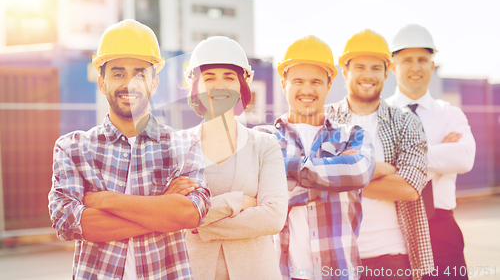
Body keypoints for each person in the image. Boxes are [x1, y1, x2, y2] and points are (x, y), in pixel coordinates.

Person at [48, 19, 211, 280]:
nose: (129, 84)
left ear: (154, 83)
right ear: (102, 83)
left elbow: (190, 214)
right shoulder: (72, 148)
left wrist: (103, 200)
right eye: (118, 73)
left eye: (139, 74)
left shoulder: (184, 145)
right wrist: (161, 209)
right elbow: (69, 223)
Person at [256, 35, 375, 280]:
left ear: (329, 85)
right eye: (298, 81)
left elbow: (359, 172)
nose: (307, 90)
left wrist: (282, 172)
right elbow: (254, 194)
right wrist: (332, 179)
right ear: (283, 84)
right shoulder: (261, 138)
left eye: (316, 82)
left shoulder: (352, 135)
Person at [327, 29, 434, 280]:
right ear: (345, 70)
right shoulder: (325, 120)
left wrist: (340, 175)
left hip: (391, 255)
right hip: (334, 254)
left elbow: (409, 188)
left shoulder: (406, 122)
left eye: (376, 68)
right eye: (360, 67)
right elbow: (311, 178)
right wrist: (381, 169)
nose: (368, 75)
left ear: (387, 73)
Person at [181, 36, 288, 280]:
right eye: (209, 78)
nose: (220, 86)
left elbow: (272, 217)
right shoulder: (176, 148)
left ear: (242, 84)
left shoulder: (265, 146)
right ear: (196, 85)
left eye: (229, 77)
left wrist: (199, 225)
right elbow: (171, 215)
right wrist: (237, 201)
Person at [387, 24, 476, 279]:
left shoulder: (449, 113)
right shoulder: (381, 115)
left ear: (432, 65)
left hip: (442, 230)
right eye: (407, 60)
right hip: (393, 228)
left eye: (422, 60)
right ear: (393, 67)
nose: (415, 67)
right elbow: (373, 165)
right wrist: (439, 154)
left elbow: (464, 157)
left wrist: (400, 161)